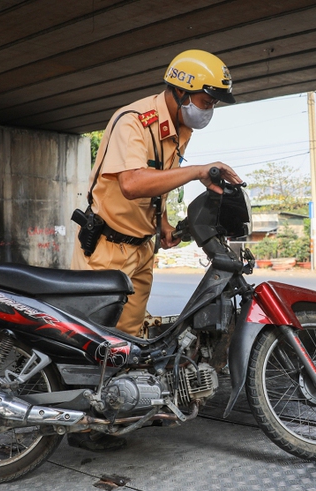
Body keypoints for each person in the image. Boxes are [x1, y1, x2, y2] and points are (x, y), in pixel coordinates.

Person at [71, 49, 241, 338]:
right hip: (106, 247)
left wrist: (162, 225)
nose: (208, 110)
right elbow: (132, 184)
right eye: (206, 102)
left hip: (142, 248)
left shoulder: (179, 128)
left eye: (212, 104)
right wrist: (197, 170)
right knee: (93, 339)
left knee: (129, 340)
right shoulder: (134, 122)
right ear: (181, 92)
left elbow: (158, 180)